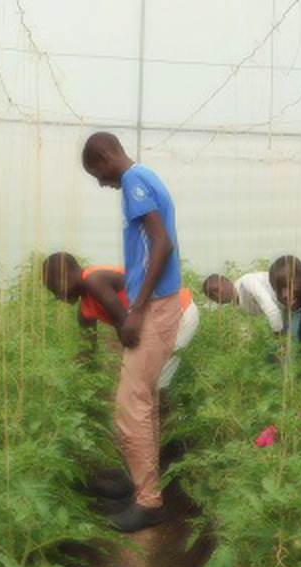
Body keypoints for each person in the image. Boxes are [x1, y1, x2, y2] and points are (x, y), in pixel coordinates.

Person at [80, 131, 185, 532]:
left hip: (156, 306)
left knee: (129, 406)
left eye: (97, 172)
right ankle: (145, 489)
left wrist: (136, 310)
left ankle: (148, 501)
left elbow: (163, 245)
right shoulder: (145, 178)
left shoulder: (134, 181)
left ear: (106, 156)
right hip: (158, 302)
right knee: (144, 403)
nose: (101, 182)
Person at [46, 253, 200, 391]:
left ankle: (163, 421)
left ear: (65, 276)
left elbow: (126, 326)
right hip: (162, 322)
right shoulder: (85, 312)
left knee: (151, 384)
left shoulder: (95, 280)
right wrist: (75, 377)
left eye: (55, 289)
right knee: (147, 384)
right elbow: (88, 353)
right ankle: (159, 420)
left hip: (179, 312)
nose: (57, 297)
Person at [202, 271, 288, 335]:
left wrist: (279, 339)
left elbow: (270, 308)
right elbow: (246, 329)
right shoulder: (235, 305)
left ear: (226, 281)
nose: (217, 296)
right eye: (212, 296)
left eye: (216, 290)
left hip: (297, 302)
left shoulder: (246, 282)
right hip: (286, 311)